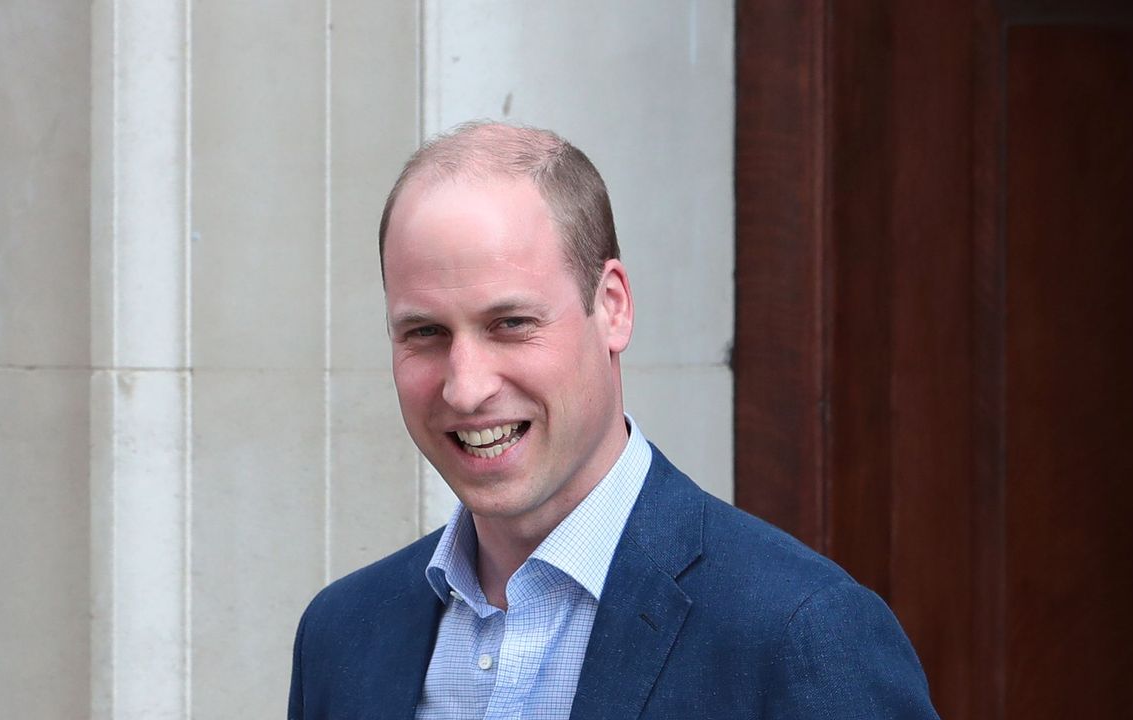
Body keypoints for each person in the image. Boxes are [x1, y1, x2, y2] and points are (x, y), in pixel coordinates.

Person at [288, 122, 939, 719]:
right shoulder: (343, 635)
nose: (465, 386)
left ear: (614, 308)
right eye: (425, 332)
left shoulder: (801, 633)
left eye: (510, 324)